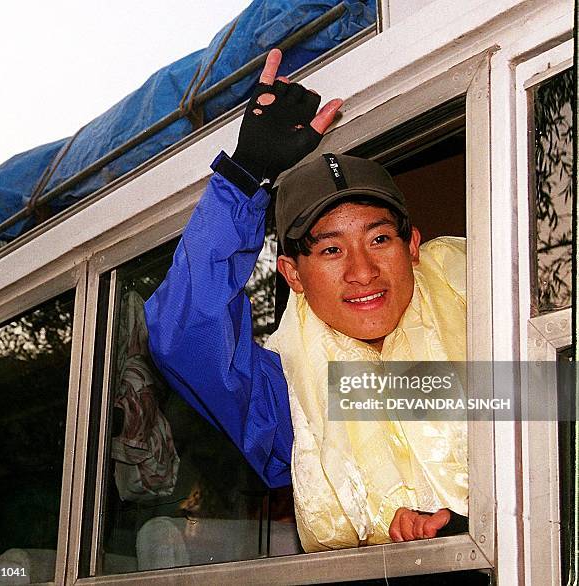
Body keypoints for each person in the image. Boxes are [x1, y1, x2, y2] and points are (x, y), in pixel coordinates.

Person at [144, 49, 468, 552]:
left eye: (380, 240)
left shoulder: (482, 311)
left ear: (412, 246)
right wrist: (243, 177)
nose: (362, 272)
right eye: (332, 250)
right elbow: (185, 332)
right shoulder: (293, 394)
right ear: (293, 274)